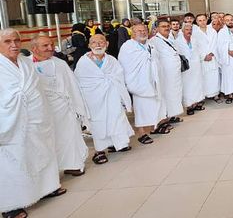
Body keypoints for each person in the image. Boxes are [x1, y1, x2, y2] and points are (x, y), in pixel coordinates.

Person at [1, 29, 66, 218]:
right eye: (7, 41)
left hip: (35, 118)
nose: (13, 45)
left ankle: (47, 188)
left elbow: (36, 89)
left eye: (16, 40)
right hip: (9, 122)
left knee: (41, 153)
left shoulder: (25, 63)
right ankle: (12, 205)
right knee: (12, 162)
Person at [31, 35, 88, 177]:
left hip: (64, 109)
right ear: (34, 48)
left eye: (51, 44)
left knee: (69, 137)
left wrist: (78, 107)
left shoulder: (60, 63)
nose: (50, 48)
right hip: (41, 111)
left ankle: (73, 164)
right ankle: (51, 173)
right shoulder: (27, 65)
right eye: (45, 46)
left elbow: (72, 86)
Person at [74, 34, 135, 165]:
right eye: (94, 43)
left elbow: (119, 78)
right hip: (93, 100)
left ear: (106, 44)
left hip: (112, 97)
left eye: (101, 42)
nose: (98, 45)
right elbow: (79, 82)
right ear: (89, 45)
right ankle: (99, 151)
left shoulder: (112, 60)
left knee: (116, 119)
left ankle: (116, 144)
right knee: (98, 124)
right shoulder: (83, 62)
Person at [118, 23, 165, 143]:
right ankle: (141, 133)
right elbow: (125, 65)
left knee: (153, 106)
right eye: (139, 31)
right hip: (138, 82)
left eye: (144, 30)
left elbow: (156, 60)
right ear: (133, 33)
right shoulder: (128, 46)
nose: (143, 32)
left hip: (152, 80)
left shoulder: (150, 44)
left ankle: (154, 127)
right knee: (140, 109)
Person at [150, 19, 184, 119]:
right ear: (156, 29)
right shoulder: (154, 41)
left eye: (167, 26)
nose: (166, 28)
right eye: (163, 26)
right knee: (167, 95)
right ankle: (167, 116)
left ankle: (173, 114)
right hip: (165, 74)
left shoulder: (170, 38)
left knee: (175, 93)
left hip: (175, 73)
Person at [177, 23, 205, 115]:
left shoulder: (194, 40)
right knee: (187, 86)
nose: (189, 32)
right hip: (186, 67)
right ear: (182, 30)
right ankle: (189, 106)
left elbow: (199, 51)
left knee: (196, 84)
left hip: (196, 65)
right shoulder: (178, 41)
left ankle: (196, 103)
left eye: (190, 30)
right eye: (187, 30)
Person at [193, 14, 221, 101]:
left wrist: (212, 53)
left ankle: (215, 94)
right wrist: (203, 56)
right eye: (200, 20)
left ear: (207, 20)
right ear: (197, 22)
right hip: (203, 59)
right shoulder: (194, 33)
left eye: (204, 20)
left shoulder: (212, 31)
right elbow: (195, 47)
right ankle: (204, 95)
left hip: (213, 57)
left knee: (214, 76)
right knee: (204, 77)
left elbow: (216, 44)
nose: (202, 22)